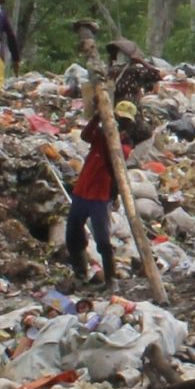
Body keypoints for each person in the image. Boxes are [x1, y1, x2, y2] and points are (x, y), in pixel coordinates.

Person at [63, 99, 142, 287]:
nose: (122, 123)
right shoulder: (100, 134)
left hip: (100, 195)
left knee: (103, 241)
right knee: (73, 235)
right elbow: (85, 135)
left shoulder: (125, 142)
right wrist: (97, 117)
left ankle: (110, 279)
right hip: (82, 191)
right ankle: (80, 274)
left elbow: (120, 154)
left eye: (125, 121)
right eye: (119, 119)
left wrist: (111, 135)